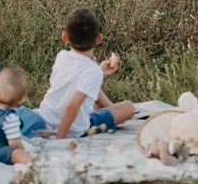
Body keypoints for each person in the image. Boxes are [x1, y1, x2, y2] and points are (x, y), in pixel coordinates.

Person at [37, 7, 135, 140]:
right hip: (71, 130)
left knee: (96, 92)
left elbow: (77, 78)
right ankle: (112, 113)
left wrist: (100, 72)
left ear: (65, 37)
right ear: (99, 38)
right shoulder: (92, 71)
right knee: (129, 107)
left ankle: (112, 111)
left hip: (45, 121)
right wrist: (60, 139)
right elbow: (72, 106)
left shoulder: (62, 56)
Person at [0, 67, 48, 165]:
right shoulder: (10, 118)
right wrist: (21, 151)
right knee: (17, 153)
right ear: (21, 100)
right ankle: (35, 163)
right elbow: (14, 144)